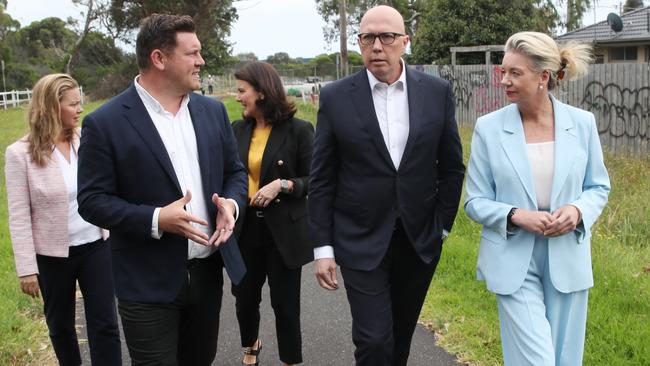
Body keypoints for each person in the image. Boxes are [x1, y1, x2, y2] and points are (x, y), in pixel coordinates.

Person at [76, 14, 248, 365]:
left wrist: (230, 205)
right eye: (193, 53)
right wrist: (155, 218)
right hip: (145, 282)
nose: (202, 61)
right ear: (159, 58)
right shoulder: (104, 122)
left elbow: (235, 172)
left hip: (206, 274)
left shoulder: (213, 112)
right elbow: (91, 201)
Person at [308, 5, 465, 366]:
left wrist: (440, 228)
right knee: (374, 341)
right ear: (359, 43)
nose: (377, 46)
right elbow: (321, 179)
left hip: (418, 240)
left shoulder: (436, 92)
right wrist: (323, 249)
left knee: (400, 339)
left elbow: (452, 168)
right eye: (368, 38)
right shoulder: (335, 97)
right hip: (359, 239)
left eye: (387, 37)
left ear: (405, 42)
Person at [464, 31, 611, 366]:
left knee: (564, 360)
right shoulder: (489, 128)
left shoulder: (582, 124)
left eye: (515, 73)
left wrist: (576, 210)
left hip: (567, 257)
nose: (504, 80)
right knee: (537, 361)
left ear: (543, 76)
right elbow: (474, 200)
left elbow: (598, 187)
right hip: (513, 259)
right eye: (504, 71)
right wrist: (516, 214)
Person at [5, 73, 121, 366]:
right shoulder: (20, 154)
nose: (80, 109)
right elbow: (18, 215)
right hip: (52, 255)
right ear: (51, 107)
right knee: (61, 325)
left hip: (96, 244)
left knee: (105, 322)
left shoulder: (88, 139)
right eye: (73, 104)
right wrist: (26, 269)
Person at [231, 61, 314, 366]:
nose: (237, 96)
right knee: (244, 298)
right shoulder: (236, 130)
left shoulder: (299, 130)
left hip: (283, 232)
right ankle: (251, 342)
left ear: (262, 93)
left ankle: (290, 359)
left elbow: (315, 179)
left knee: (285, 304)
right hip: (245, 230)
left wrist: (283, 184)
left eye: (242, 90)